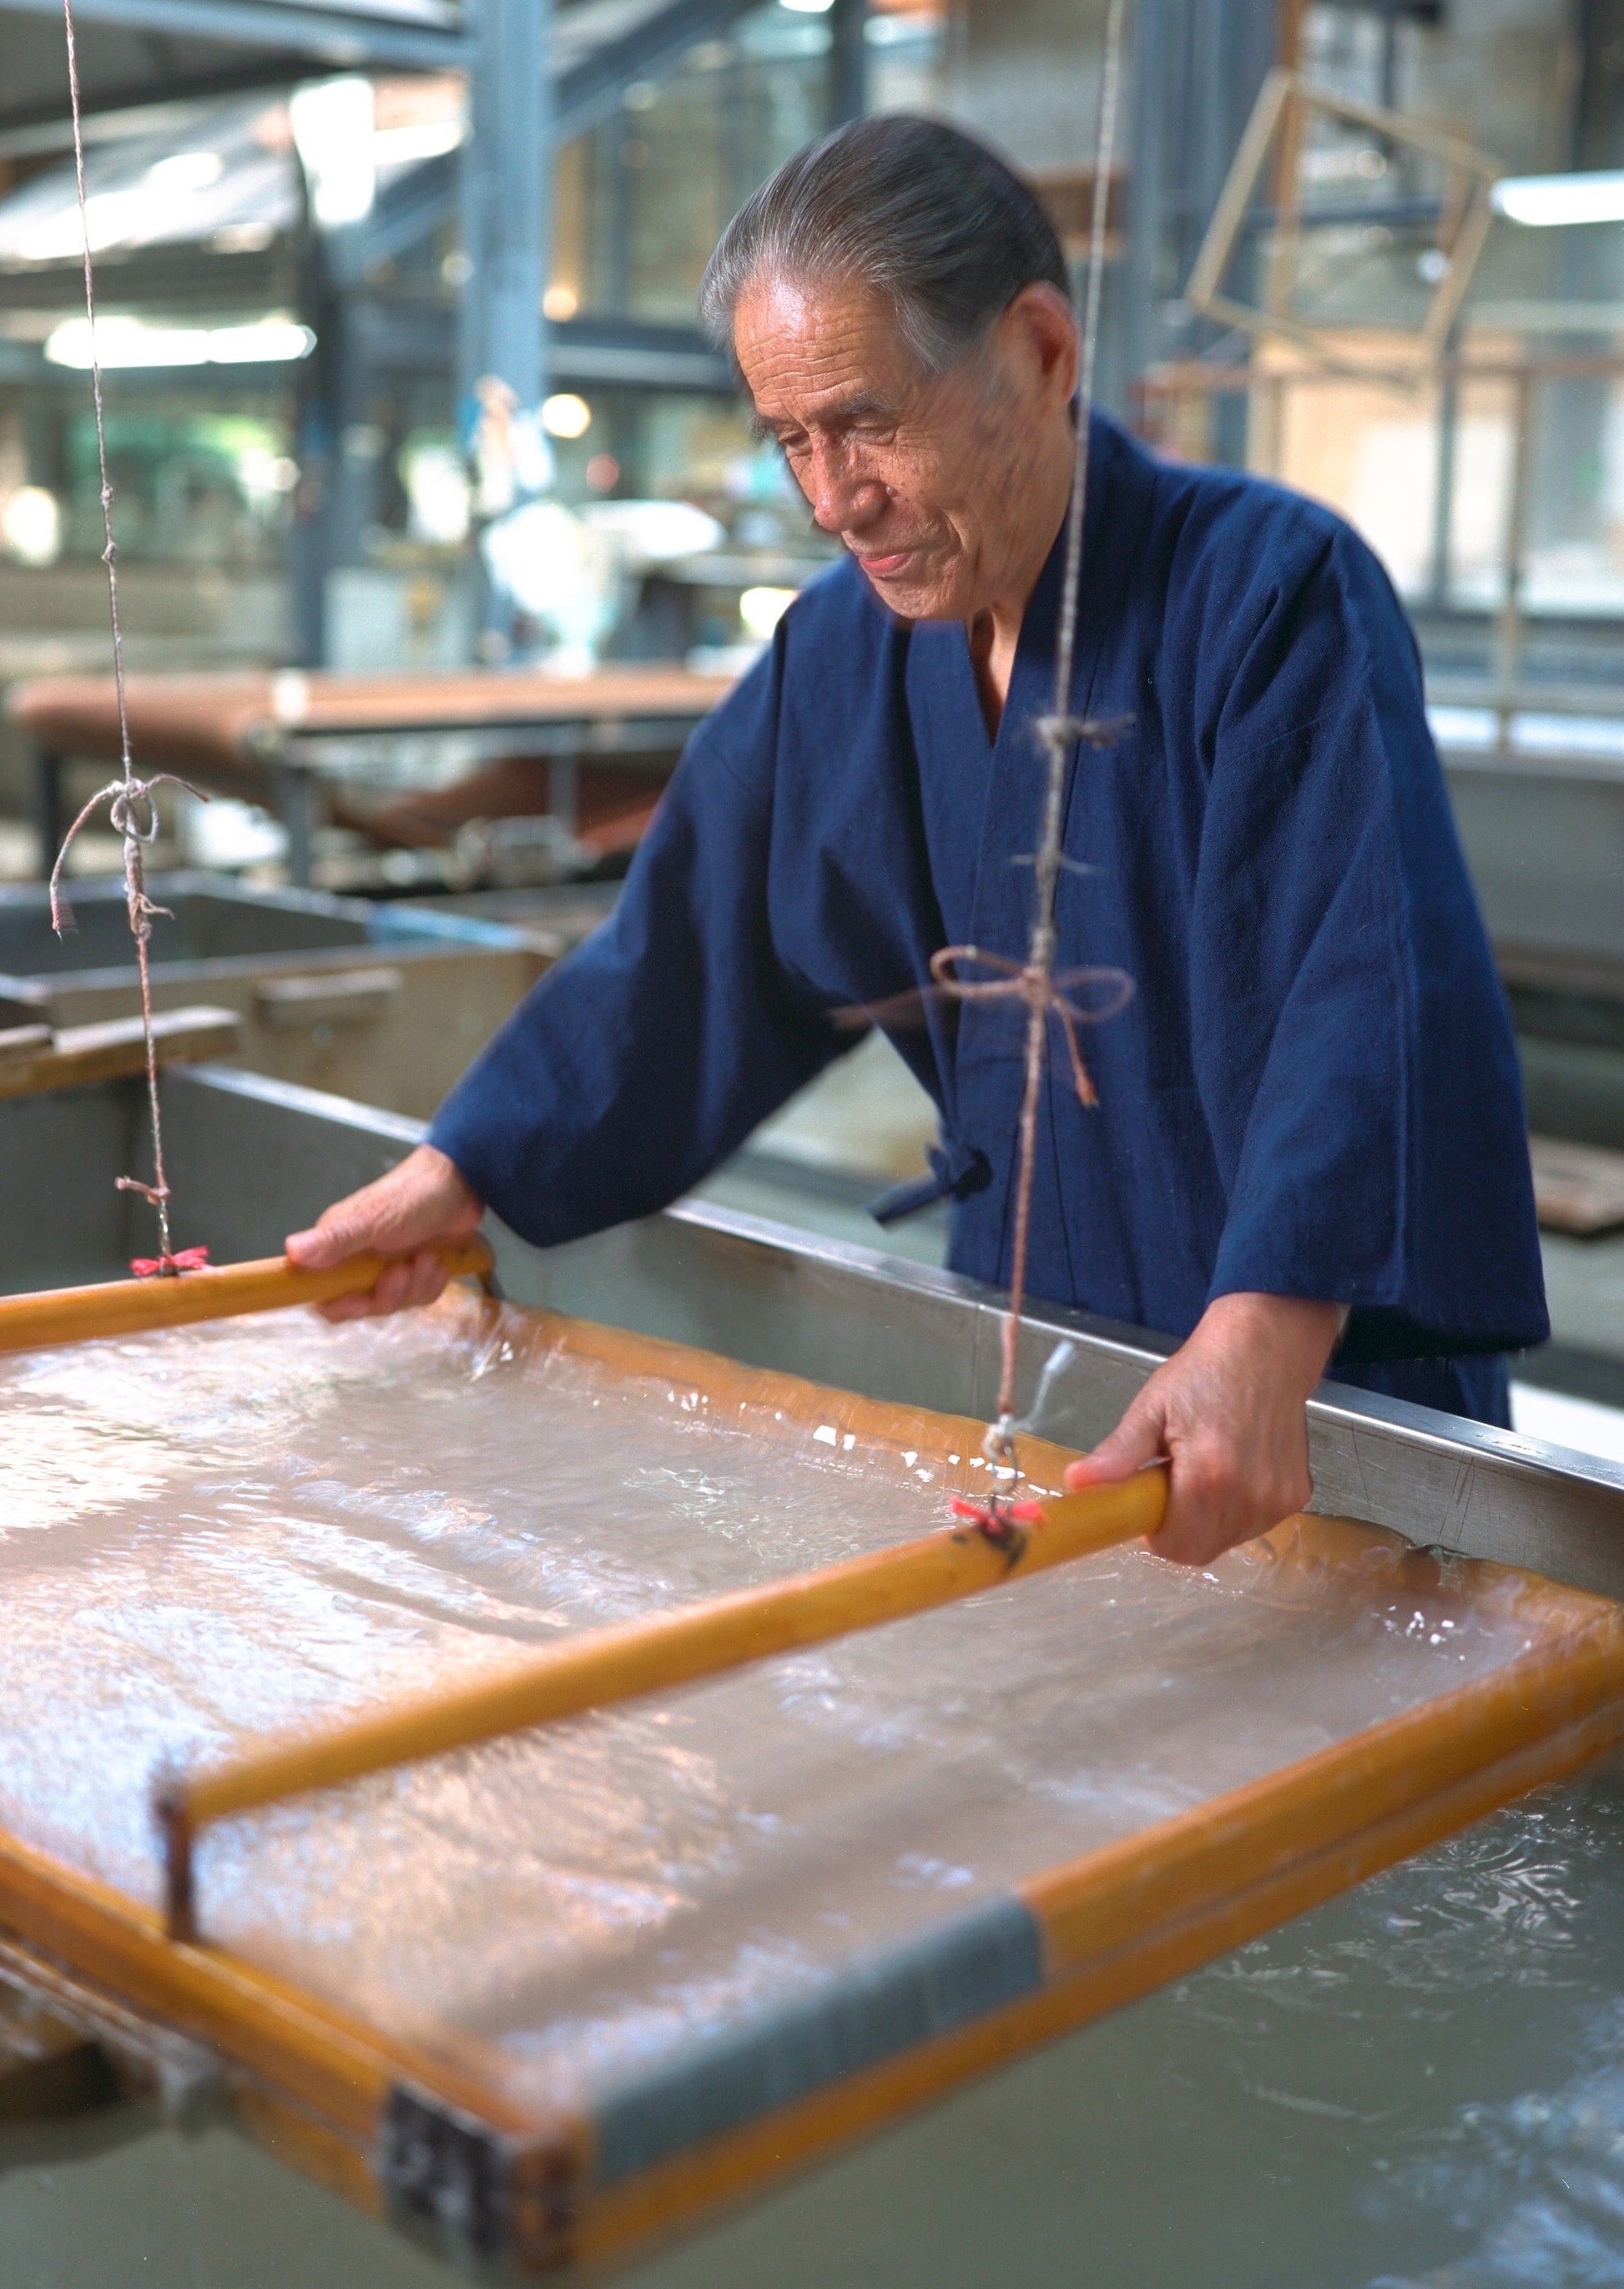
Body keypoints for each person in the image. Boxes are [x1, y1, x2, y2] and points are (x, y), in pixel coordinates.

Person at [287, 116, 1546, 1568]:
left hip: (1304, 1393)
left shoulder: (1268, 594)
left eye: (868, 422)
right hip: (1036, 1377)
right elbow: (690, 951)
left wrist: (1266, 1326)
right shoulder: (840, 653)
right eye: (791, 442)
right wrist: (465, 1170)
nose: (831, 501)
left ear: (1039, 351)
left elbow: (1358, 993)